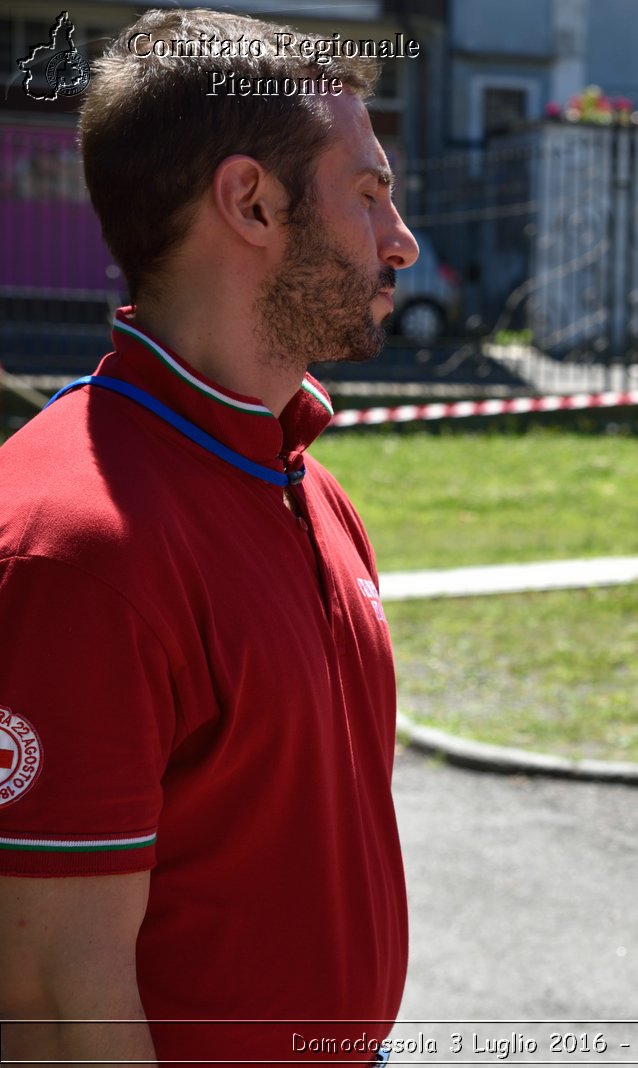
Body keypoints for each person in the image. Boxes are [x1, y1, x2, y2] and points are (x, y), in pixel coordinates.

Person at [0, 9, 417, 1064]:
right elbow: (50, 1008)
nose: (401, 239)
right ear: (251, 201)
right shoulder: (74, 544)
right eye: (368, 194)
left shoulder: (305, 481)